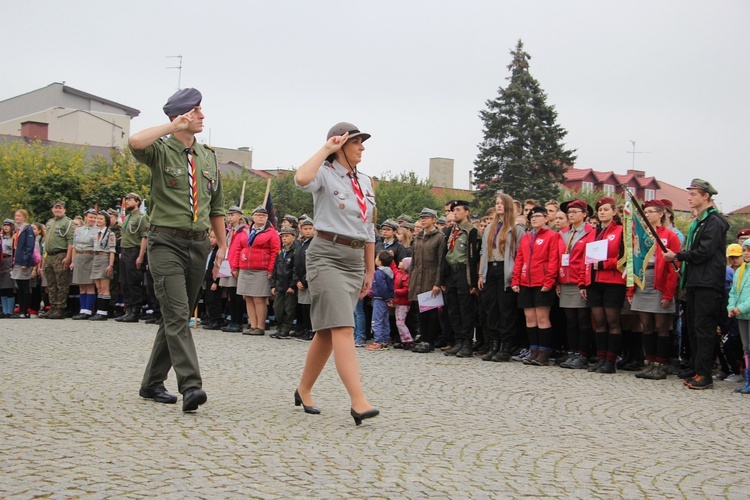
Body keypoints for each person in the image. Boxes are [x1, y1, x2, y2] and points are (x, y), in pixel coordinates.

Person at [129, 87, 227, 412]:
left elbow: (217, 207)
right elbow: (134, 142)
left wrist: (223, 245)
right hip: (165, 242)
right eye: (196, 110)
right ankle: (191, 385)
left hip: (199, 244)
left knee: (176, 314)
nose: (202, 116)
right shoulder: (160, 149)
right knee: (178, 314)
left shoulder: (208, 156)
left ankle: (152, 383)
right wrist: (172, 126)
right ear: (181, 115)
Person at [293, 121, 378, 425]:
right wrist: (325, 149)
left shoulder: (366, 182)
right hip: (326, 255)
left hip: (355, 259)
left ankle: (303, 389)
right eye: (356, 142)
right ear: (339, 144)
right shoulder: (325, 174)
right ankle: (358, 401)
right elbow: (301, 178)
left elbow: (369, 230)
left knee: (328, 332)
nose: (362, 147)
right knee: (343, 326)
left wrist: (370, 268)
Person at [664, 178, 729, 390]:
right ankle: (696, 367)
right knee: (693, 328)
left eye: (693, 194)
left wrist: (678, 256)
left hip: (707, 282)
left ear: (705, 196)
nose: (689, 198)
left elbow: (705, 252)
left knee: (704, 328)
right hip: (694, 281)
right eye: (689, 194)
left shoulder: (714, 222)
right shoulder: (699, 222)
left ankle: (705, 374)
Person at [629, 200, 681, 380]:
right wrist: (630, 288)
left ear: (661, 214)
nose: (648, 214)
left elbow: (674, 267)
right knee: (647, 326)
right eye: (646, 211)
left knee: (661, 326)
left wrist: (668, 292)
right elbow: (633, 262)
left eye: (652, 211)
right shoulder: (639, 235)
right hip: (643, 280)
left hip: (660, 281)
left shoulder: (669, 235)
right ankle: (649, 362)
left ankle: (661, 364)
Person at [579, 197, 626, 374]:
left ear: (614, 212)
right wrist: (583, 282)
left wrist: (605, 264)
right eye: (600, 210)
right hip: (594, 282)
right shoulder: (594, 232)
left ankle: (611, 360)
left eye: (606, 209)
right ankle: (601, 357)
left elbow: (625, 258)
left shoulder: (621, 231)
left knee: (612, 321)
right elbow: (586, 259)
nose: (602, 212)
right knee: (598, 321)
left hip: (613, 281)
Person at [478, 193, 525, 362]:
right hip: (491, 268)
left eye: (501, 203)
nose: (498, 206)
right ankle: (494, 344)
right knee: (491, 309)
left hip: (506, 270)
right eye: (496, 203)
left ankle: (506, 346)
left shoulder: (516, 227)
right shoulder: (490, 228)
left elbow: (520, 253)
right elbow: (484, 251)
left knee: (505, 309)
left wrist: (516, 276)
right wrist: (481, 274)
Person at [511, 206, 560, 366]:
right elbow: (520, 259)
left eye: (538, 216)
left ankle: (544, 352)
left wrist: (549, 281)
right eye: (532, 216)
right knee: (530, 318)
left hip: (542, 282)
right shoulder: (526, 237)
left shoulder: (552, 236)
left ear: (546, 218)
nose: (534, 218)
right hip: (526, 282)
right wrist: (515, 280)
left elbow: (554, 260)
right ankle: (533, 351)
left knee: (542, 318)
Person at [229, 205, 280, 336]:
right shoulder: (246, 231)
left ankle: (260, 326)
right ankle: (252, 325)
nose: (261, 217)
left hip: (261, 269)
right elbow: (238, 249)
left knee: (259, 299)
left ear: (267, 217)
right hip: (245, 268)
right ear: (253, 217)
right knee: (248, 298)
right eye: (258, 215)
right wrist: (235, 266)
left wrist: (271, 270)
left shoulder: (271, 232)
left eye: (263, 215)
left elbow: (275, 252)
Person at [556, 200, 595, 370]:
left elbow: (590, 259)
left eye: (575, 211)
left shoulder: (591, 233)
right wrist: (557, 280)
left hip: (581, 281)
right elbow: (558, 257)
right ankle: (572, 352)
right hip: (565, 280)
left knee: (582, 319)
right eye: (569, 212)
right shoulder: (563, 233)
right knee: (570, 320)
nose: (571, 215)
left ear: (584, 214)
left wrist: (584, 282)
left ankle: (583, 354)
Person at [442, 200, 480, 358]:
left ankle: (466, 342)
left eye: (458, 210)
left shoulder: (472, 231)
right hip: (452, 272)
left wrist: (473, 281)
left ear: (466, 212)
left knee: (466, 309)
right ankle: (458, 340)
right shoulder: (451, 230)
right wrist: (443, 278)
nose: (454, 213)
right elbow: (445, 254)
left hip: (465, 272)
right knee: (453, 309)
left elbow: (474, 257)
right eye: (452, 210)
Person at [410, 208, 446, 353]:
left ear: (433, 219)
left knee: (431, 311)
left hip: (431, 277)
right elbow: (413, 261)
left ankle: (429, 340)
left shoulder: (439, 237)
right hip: (418, 277)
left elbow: (440, 262)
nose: (423, 220)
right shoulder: (418, 237)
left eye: (426, 217)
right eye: (421, 217)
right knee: (420, 311)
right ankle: (423, 338)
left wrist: (438, 282)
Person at [116, 193, 148, 323]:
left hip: (134, 251)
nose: (127, 201)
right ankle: (128, 309)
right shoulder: (127, 217)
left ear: (137, 202)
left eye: (130, 199)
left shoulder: (141, 218)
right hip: (125, 251)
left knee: (133, 282)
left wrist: (141, 256)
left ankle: (135, 311)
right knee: (125, 282)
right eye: (126, 200)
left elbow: (144, 237)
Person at [41, 201, 74, 319]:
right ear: (52, 209)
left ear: (64, 210)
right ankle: (53, 307)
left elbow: (70, 241)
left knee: (62, 283)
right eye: (56, 208)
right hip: (49, 255)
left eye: (60, 208)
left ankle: (60, 308)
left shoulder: (68, 222)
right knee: (51, 283)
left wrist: (68, 257)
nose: (58, 210)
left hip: (61, 254)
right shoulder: (50, 222)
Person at [219, 206, 247, 333]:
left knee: (237, 295)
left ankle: (238, 321)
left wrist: (237, 266)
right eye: (229, 215)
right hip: (227, 263)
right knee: (230, 293)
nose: (230, 217)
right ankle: (232, 320)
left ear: (240, 216)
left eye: (233, 215)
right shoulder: (228, 231)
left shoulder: (243, 231)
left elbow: (242, 249)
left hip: (236, 264)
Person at [728, 239, 750, 394]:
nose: (746, 253)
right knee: (746, 347)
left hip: (745, 311)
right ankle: (748, 379)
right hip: (741, 315)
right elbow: (733, 292)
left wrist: (740, 308)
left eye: (749, 250)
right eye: (744, 250)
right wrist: (731, 307)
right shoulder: (741, 270)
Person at [270, 226, 299, 339]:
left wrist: (292, 285)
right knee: (277, 308)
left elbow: (296, 269)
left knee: (288, 309)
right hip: (279, 285)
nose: (284, 238)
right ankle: (279, 328)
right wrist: (273, 284)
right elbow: (275, 269)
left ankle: (286, 330)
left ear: (293, 237)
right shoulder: (280, 252)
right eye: (282, 236)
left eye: (287, 236)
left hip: (289, 286)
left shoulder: (296, 251)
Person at [88, 211, 117, 321]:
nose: (98, 221)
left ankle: (104, 312)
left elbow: (112, 250)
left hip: (105, 258)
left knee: (105, 287)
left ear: (106, 221)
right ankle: (99, 311)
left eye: (100, 219)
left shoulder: (110, 233)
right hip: (96, 258)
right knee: (99, 288)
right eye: (97, 219)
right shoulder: (96, 233)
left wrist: (110, 265)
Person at [292, 218, 315, 340]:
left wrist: (305, 280)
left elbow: (314, 263)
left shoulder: (314, 243)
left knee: (310, 307)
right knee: (303, 307)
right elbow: (296, 264)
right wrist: (297, 279)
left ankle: (312, 330)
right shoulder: (300, 244)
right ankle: (304, 328)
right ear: (300, 230)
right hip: (300, 279)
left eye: (310, 228)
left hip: (310, 279)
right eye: (305, 229)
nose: (308, 231)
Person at [367, 250, 395, 350]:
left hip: (379, 298)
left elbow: (382, 286)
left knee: (377, 320)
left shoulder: (379, 273)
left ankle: (377, 341)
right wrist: (390, 298)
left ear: (380, 261)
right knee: (385, 320)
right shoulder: (389, 272)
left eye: (377, 258)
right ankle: (385, 340)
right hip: (386, 299)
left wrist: (386, 297)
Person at [202, 230, 223, 330]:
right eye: (210, 237)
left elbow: (218, 267)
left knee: (214, 300)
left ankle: (216, 320)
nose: (211, 240)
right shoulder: (212, 250)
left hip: (214, 279)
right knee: (209, 299)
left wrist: (216, 281)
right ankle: (210, 318)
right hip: (208, 277)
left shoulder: (218, 251)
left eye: (214, 238)